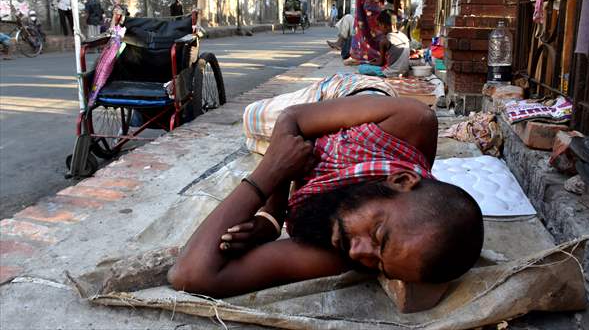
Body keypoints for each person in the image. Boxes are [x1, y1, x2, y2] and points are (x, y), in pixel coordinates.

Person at [168, 94, 484, 298]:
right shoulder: (409, 124)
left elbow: (191, 274)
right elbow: (292, 120)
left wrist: (268, 183)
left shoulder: (341, 252)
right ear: (401, 180)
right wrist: (274, 203)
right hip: (343, 95)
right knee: (254, 116)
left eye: (378, 265)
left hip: (309, 128)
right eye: (377, 234)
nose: (360, 253)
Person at [351, 0, 441, 63]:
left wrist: (397, 10)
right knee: (377, 24)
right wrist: (395, 13)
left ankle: (366, 55)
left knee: (364, 22)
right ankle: (377, 56)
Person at [358, 9, 412, 77]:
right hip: (404, 72)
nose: (379, 28)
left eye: (379, 25)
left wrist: (370, 63)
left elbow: (381, 63)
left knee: (361, 68)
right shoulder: (404, 36)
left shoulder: (384, 40)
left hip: (391, 73)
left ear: (383, 25)